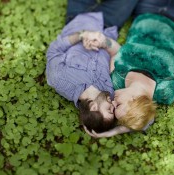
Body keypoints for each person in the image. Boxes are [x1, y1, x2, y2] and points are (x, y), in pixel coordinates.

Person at [85, 0, 174, 137]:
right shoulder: (165, 90)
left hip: (147, 12)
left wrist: (103, 42)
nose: (113, 102)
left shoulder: (118, 79)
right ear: (134, 100)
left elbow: (115, 52)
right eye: (118, 105)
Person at [46, 0, 138, 133]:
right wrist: (113, 132)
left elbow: (54, 50)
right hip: (108, 23)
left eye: (109, 109)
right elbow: (145, 120)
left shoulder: (60, 80)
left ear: (94, 107)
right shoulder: (111, 92)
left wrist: (82, 35)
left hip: (78, 19)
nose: (113, 105)